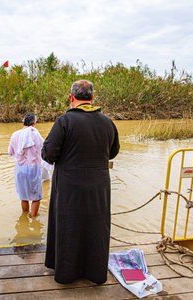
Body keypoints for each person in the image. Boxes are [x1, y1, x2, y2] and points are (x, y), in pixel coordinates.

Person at [41, 79, 120, 284]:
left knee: (69, 226)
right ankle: (94, 273)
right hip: (99, 186)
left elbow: (48, 153)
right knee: (95, 227)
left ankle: (67, 274)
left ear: (71, 98)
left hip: (69, 186)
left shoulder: (64, 121)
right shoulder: (107, 122)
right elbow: (113, 152)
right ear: (92, 98)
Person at [8, 113, 44, 217]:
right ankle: (33, 220)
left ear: (23, 122)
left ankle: (24, 219)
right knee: (36, 198)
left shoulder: (15, 134)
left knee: (24, 197)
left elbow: (11, 152)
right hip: (33, 169)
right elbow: (43, 149)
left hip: (19, 169)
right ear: (34, 124)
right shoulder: (35, 134)